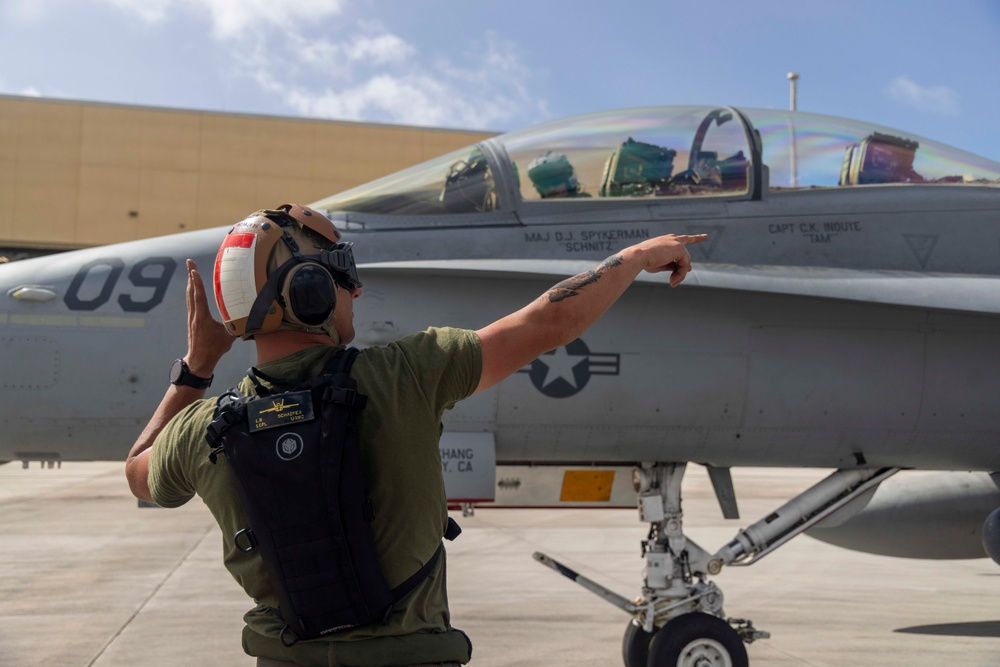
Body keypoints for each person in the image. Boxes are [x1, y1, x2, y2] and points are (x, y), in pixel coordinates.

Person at [125, 203, 705, 667]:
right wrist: (634, 257)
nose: (356, 291)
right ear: (312, 291)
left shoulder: (202, 430)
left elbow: (138, 474)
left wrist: (197, 366)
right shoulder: (406, 375)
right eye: (343, 275)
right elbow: (551, 324)